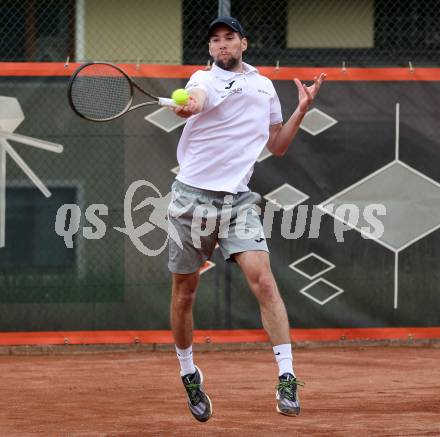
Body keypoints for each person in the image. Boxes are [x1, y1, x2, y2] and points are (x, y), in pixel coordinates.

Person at [168, 16, 325, 422]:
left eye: (229, 38)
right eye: (215, 40)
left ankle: (287, 377)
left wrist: (302, 111)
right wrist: (189, 105)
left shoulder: (263, 87)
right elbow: (196, 101)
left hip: (238, 202)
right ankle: (189, 373)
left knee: (266, 282)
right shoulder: (201, 79)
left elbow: (278, 145)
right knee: (185, 294)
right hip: (191, 200)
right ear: (209, 49)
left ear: (243, 43)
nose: (221, 45)